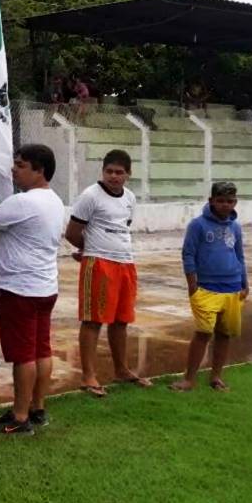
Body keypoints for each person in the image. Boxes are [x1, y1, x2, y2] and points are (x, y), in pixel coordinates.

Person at [0, 143, 64, 436]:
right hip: (43, 286)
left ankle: (19, 416)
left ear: (39, 170)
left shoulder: (24, 202)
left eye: (20, 166)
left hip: (19, 289)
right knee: (40, 350)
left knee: (23, 355)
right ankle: (37, 408)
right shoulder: (54, 200)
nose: (13, 170)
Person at [65, 149, 151, 397]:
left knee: (121, 320)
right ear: (102, 171)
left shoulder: (130, 198)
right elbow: (72, 232)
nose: (113, 176)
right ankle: (88, 375)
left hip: (125, 262)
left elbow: (123, 227)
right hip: (99, 264)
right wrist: (88, 249)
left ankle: (121, 370)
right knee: (93, 319)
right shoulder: (90, 196)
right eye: (109, 171)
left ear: (128, 174)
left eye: (119, 172)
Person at [171, 181, 248, 392]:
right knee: (204, 333)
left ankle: (216, 376)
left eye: (230, 201)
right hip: (206, 289)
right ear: (211, 201)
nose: (225, 205)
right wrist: (192, 283)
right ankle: (189, 378)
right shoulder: (198, 225)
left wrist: (244, 283)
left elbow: (239, 255)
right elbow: (188, 254)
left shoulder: (236, 227)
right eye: (220, 201)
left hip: (232, 289)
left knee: (224, 334)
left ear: (236, 202)